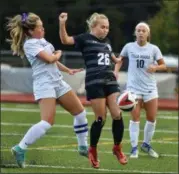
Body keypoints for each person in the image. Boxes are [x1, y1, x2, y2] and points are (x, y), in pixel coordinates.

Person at [6, 12, 88, 168]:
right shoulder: (30, 44)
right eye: (40, 27)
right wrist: (59, 53)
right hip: (44, 84)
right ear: (30, 31)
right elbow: (50, 58)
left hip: (57, 81)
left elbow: (53, 62)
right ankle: (20, 148)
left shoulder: (41, 40)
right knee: (47, 122)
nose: (43, 29)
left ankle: (83, 146)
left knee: (80, 113)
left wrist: (67, 70)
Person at [59, 12, 127, 168]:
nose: (106, 30)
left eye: (107, 27)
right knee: (100, 119)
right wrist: (62, 23)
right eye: (102, 27)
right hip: (94, 82)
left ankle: (117, 147)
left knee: (117, 114)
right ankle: (93, 150)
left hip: (110, 80)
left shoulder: (107, 42)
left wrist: (118, 62)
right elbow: (65, 40)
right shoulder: (84, 38)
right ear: (93, 26)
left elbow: (113, 58)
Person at [117, 22, 167, 158]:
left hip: (150, 88)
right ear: (135, 33)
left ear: (148, 34)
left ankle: (146, 144)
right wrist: (115, 71)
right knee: (135, 118)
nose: (140, 33)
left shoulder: (154, 49)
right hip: (133, 89)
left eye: (143, 30)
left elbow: (164, 66)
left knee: (151, 118)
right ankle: (134, 148)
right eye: (138, 30)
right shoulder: (129, 46)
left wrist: (155, 67)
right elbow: (119, 59)